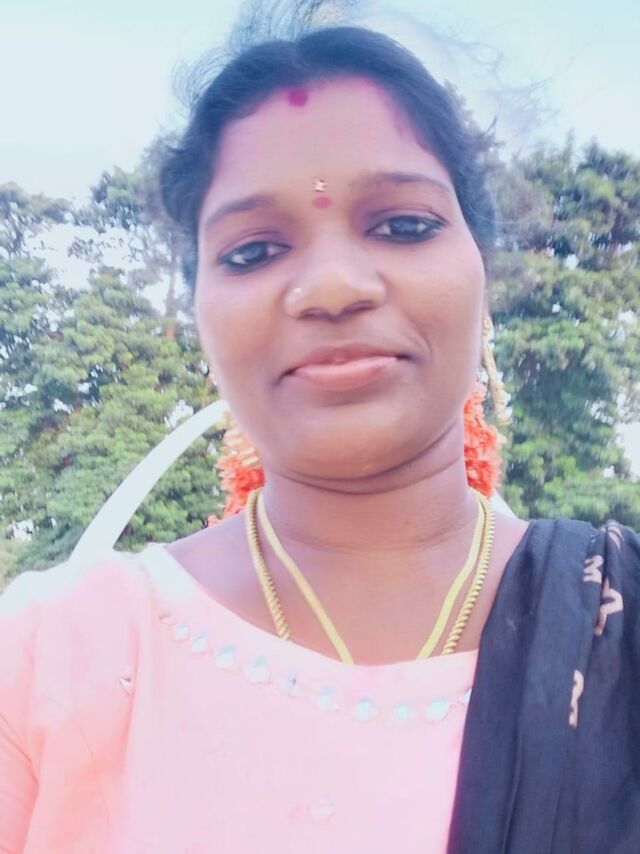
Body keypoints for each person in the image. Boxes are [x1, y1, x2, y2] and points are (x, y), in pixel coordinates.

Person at [1, 13, 639, 854]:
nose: (333, 287)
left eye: (403, 225)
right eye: (253, 251)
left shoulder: (618, 634)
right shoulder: (51, 659)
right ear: (198, 317)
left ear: (483, 273)